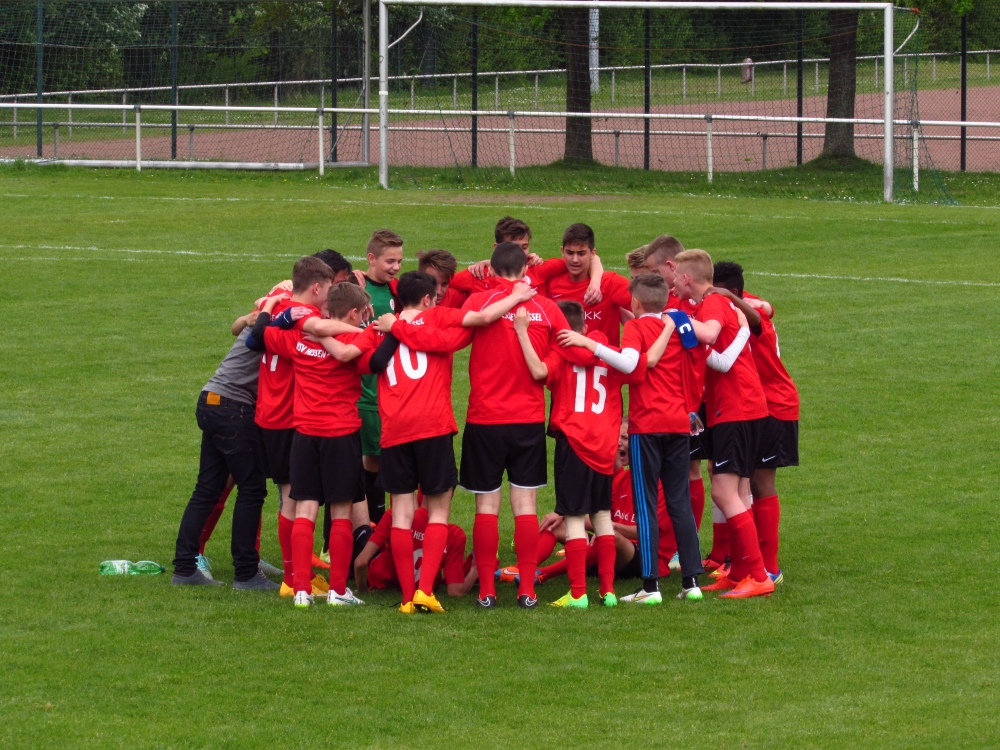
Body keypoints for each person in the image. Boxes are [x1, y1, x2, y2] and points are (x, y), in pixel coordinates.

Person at [351, 270, 537, 613]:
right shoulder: (439, 318)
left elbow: (362, 362)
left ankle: (407, 597)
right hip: (433, 427)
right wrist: (517, 296)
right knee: (438, 511)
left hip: (395, 430)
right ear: (427, 299)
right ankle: (425, 591)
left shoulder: (379, 329)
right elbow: (481, 318)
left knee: (401, 513)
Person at [558, 273, 704, 604]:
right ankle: (691, 581)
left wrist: (590, 344)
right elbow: (698, 363)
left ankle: (650, 587)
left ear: (635, 302)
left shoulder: (636, 328)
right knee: (680, 501)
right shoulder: (680, 328)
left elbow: (630, 362)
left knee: (645, 502)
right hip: (679, 423)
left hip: (647, 425)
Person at [515, 300, 667, 607]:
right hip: (605, 446)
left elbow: (538, 371)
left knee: (573, 518)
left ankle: (578, 593)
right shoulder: (608, 353)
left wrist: (522, 332)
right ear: (584, 327)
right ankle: (607, 591)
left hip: (574, 443)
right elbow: (642, 365)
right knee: (602, 515)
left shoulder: (560, 354)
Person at [458, 242, 584, 609]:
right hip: (527, 420)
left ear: (492, 271)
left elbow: (455, 333)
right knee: (525, 504)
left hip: (484, 418)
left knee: (486, 506)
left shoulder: (480, 302)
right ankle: (527, 588)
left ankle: (486, 590)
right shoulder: (546, 309)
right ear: (525, 271)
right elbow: (565, 349)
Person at [259, 282, 398, 608]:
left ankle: (301, 589)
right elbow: (372, 362)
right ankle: (337, 590)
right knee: (340, 513)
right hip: (341, 435)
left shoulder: (298, 338)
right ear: (354, 313)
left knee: (305, 509)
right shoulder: (358, 337)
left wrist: (269, 309)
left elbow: (262, 335)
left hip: (304, 435)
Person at [673, 249, 775, 599]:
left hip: (736, 408)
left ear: (687, 278)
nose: (673, 283)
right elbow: (720, 356)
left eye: (676, 276)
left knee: (723, 491)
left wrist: (676, 320)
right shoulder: (712, 303)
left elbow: (710, 336)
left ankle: (758, 576)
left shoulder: (713, 303)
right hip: (736, 407)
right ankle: (741, 572)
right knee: (740, 492)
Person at [247, 256, 339, 597]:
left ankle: (296, 574)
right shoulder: (306, 317)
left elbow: (255, 329)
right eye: (328, 289)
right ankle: (293, 577)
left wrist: (272, 301)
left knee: (291, 495)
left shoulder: (280, 304)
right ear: (316, 288)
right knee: (294, 498)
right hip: (291, 415)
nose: (329, 296)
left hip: (267, 411)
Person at [171, 297, 277, 590]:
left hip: (211, 399)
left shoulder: (269, 313)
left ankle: (184, 569)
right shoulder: (283, 317)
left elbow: (239, 325)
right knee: (252, 488)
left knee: (207, 489)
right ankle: (246, 573)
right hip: (233, 408)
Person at [711, 262, 798, 584]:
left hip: (774, 405)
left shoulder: (749, 312)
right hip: (750, 406)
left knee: (760, 482)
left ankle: (770, 567)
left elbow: (761, 315)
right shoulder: (742, 303)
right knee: (739, 483)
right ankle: (742, 566)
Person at [355, 229, 404, 526]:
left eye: (399, 261)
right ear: (371, 258)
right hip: (366, 394)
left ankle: (377, 529)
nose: (396, 267)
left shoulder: (397, 291)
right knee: (369, 460)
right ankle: (366, 528)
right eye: (390, 261)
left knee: (385, 460)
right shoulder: (355, 289)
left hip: (391, 393)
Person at [449, 216, 605, 302]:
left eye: (524, 247)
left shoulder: (538, 269)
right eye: (514, 247)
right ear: (497, 247)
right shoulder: (478, 274)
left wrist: (595, 282)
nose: (520, 254)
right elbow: (441, 282)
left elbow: (591, 258)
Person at [354, 504, 477, 599]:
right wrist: (475, 568)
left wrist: (362, 591)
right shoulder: (455, 535)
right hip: (423, 585)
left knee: (363, 532)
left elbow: (361, 563)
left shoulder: (395, 515)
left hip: (378, 576)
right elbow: (455, 591)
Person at [544, 224, 634, 346]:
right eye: (570, 253)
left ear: (592, 253)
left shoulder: (610, 283)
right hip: (563, 357)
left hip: (602, 358)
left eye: (581, 253)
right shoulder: (551, 285)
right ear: (562, 251)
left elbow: (648, 307)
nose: (575, 260)